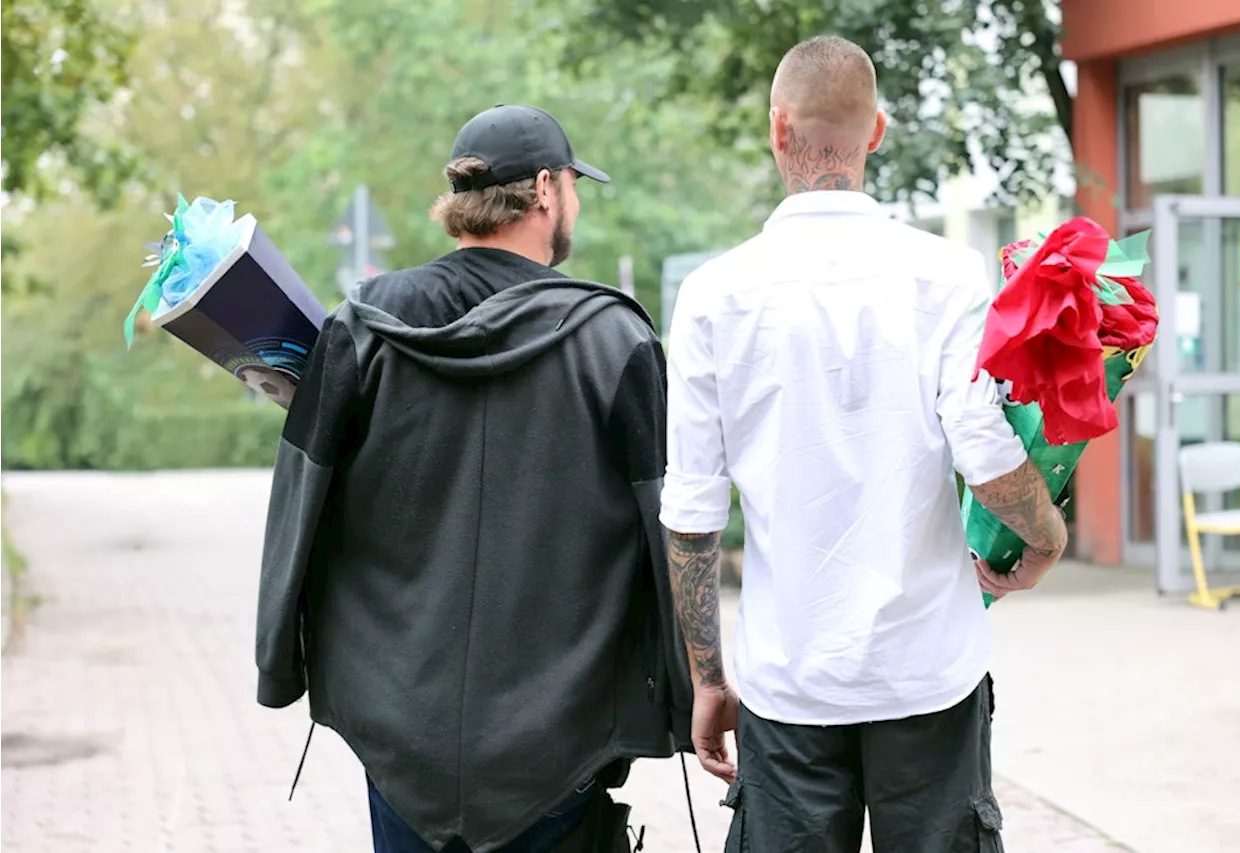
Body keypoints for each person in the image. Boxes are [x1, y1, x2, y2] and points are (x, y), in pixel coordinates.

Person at [659, 36, 1068, 852]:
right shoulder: (947, 275)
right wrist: (1048, 537)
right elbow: (983, 448)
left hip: (790, 680)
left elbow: (693, 511)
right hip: (929, 671)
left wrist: (708, 676)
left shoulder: (713, 296)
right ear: (877, 131)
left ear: (778, 130)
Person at [256, 104, 693, 853]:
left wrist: (279, 664)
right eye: (576, 188)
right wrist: (689, 699)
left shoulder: (360, 329)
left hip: (400, 732)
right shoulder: (616, 340)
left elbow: (298, 501)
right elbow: (668, 532)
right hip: (561, 739)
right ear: (547, 189)